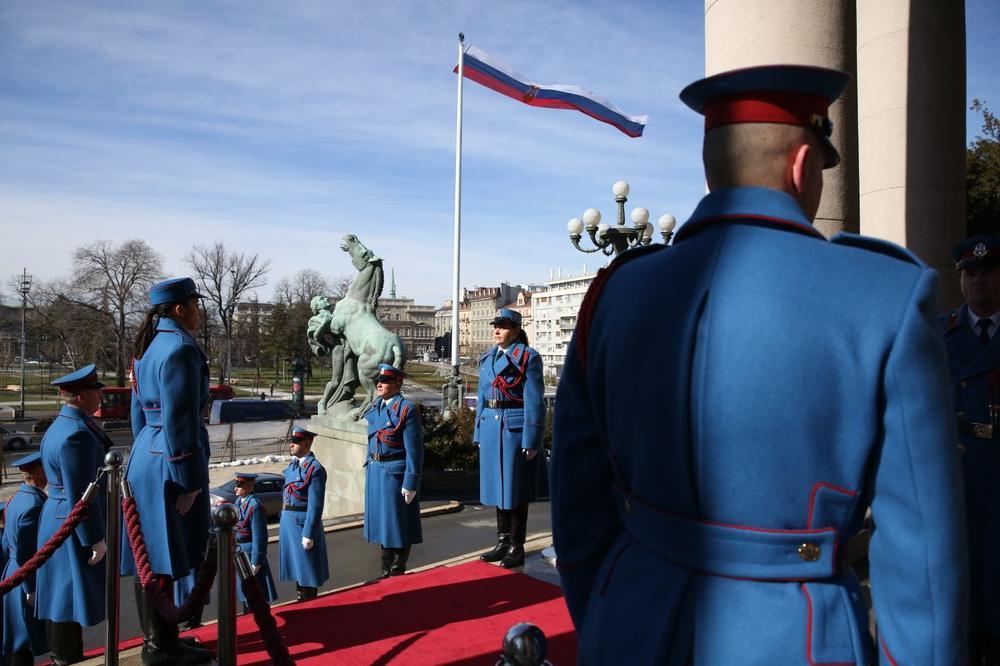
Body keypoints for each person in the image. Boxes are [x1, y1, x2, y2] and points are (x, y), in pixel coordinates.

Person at [551, 65, 968, 664]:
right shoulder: (887, 296)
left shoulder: (616, 293)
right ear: (803, 165)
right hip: (797, 638)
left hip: (630, 622)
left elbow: (577, 508)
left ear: (711, 171)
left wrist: (610, 619)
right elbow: (920, 558)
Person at [121, 277, 212, 665]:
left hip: (148, 453)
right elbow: (180, 419)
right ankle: (160, 647)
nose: (198, 311)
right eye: (195, 304)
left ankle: (163, 640)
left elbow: (138, 414)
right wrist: (188, 478)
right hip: (172, 460)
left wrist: (148, 452)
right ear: (179, 309)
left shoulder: (147, 348)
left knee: (154, 554)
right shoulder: (180, 349)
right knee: (162, 556)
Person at [942, 235, 1000, 664]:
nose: (978, 279)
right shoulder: (936, 332)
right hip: (954, 485)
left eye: (989, 270)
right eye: (970, 272)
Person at [34, 365, 108, 665]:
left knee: (58, 593)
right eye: (96, 391)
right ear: (81, 397)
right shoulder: (78, 434)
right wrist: (94, 538)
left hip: (56, 514)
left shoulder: (60, 426)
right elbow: (82, 493)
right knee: (66, 595)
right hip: (72, 519)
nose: (100, 396)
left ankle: (62, 655)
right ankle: (67, 657)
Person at [474, 308, 545, 569]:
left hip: (514, 429)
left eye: (503, 326)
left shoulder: (527, 357)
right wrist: (478, 431)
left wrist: (531, 439)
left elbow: (534, 401)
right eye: (496, 325)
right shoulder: (487, 358)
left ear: (515, 330)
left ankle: (517, 546)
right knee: (498, 487)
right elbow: (482, 398)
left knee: (516, 490)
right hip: (491, 428)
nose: (497, 330)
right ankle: (502, 542)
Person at [362, 363, 424, 578]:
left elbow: (415, 450)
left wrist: (411, 482)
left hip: (395, 474)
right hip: (376, 471)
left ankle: (397, 569)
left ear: (398, 384)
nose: (379, 384)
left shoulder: (406, 409)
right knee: (383, 524)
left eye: (385, 381)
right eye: (378, 381)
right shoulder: (375, 407)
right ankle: (385, 569)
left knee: (398, 523)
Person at [2, 453, 48, 666]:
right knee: (25, 638)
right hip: (24, 577)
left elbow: (9, 544)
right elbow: (26, 553)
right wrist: (31, 588)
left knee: (18, 635)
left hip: (13, 572)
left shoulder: (15, 499)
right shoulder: (34, 504)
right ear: (38, 472)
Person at [279, 426, 329, 601]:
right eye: (291, 441)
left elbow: (315, 505)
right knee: (297, 568)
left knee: (307, 570)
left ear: (307, 444)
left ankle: (309, 602)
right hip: (289, 523)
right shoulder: (294, 465)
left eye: (296, 441)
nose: (291, 445)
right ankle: (301, 599)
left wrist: (309, 533)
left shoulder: (315, 469)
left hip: (302, 524)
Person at [233, 472, 278, 612]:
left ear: (249, 486)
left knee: (257, 595)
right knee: (245, 593)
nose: (235, 488)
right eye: (236, 484)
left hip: (250, 554)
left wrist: (256, 561)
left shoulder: (255, 506)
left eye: (239, 485)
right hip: (240, 552)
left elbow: (260, 537)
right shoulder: (239, 502)